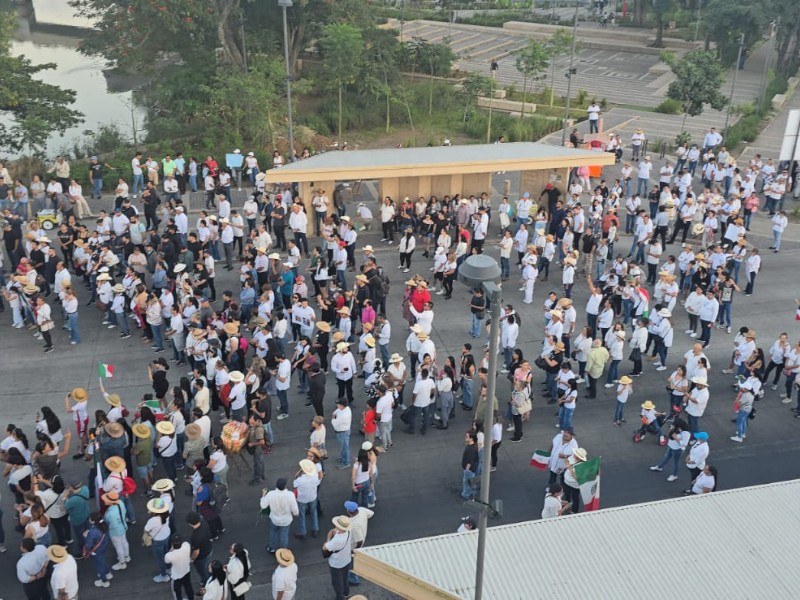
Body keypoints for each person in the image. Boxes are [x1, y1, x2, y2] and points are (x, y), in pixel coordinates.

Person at [260, 478, 299, 554]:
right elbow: (295, 510)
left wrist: (263, 496)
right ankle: (283, 550)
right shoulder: (290, 495)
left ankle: (272, 547)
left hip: (274, 519)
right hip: (286, 520)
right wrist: (296, 514)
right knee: (284, 535)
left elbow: (263, 506)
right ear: (285, 486)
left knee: (273, 532)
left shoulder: (271, 494)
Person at [323, 516, 353, 600]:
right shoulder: (348, 532)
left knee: (337, 581)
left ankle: (340, 597)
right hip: (346, 559)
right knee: (345, 578)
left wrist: (328, 538)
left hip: (336, 563)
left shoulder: (337, 540)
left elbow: (325, 547)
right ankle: (346, 593)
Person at [144, 497, 172, 583]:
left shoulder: (153, 520)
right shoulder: (166, 514)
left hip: (158, 540)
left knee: (160, 558)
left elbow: (146, 530)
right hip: (166, 536)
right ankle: (168, 568)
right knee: (166, 553)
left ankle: (163, 575)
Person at [293, 459, 320, 539]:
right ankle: (315, 529)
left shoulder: (299, 480)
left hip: (302, 499)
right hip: (312, 497)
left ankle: (302, 532)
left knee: (301, 515)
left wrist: (298, 474)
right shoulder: (315, 476)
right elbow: (318, 482)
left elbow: (294, 485)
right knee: (314, 512)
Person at [165, 534, 194, 599]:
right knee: (188, 587)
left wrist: (172, 548)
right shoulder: (186, 545)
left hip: (176, 576)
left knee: (177, 592)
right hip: (186, 571)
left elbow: (166, 561)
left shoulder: (170, 555)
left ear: (172, 544)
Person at [461, 432, 479, 500]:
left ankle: (466, 494)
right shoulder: (473, 446)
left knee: (467, 482)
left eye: (467, 436)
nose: (465, 437)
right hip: (472, 468)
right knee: (470, 481)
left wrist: (467, 469)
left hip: (469, 469)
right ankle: (471, 493)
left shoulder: (471, 448)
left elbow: (470, 461)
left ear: (471, 439)